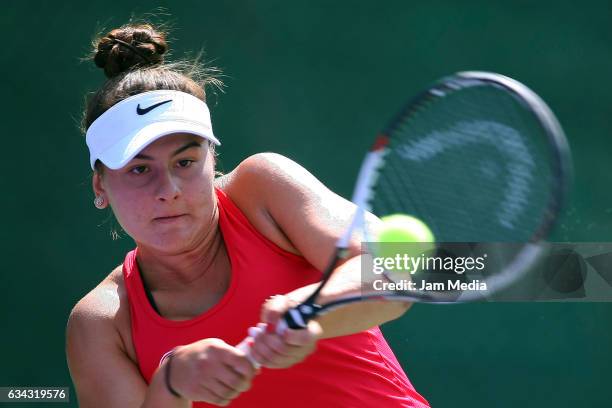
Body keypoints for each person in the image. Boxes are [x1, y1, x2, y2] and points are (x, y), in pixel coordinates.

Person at [66, 23, 430, 408]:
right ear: (100, 188)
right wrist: (171, 383)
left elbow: (394, 270)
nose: (168, 188)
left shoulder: (263, 187)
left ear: (213, 161)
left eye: (186, 161)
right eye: (140, 169)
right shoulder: (100, 324)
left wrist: (312, 310)